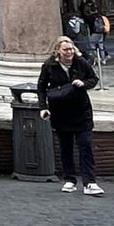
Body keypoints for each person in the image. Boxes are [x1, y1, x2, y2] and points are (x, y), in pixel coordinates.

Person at [37, 36, 101, 194]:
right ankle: (69, 179)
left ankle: (89, 182)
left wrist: (83, 84)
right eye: (66, 49)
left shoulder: (81, 62)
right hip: (61, 112)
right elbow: (41, 87)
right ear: (58, 50)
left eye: (71, 48)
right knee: (66, 148)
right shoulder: (49, 66)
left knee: (85, 146)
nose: (69, 52)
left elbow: (94, 78)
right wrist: (43, 107)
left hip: (81, 111)